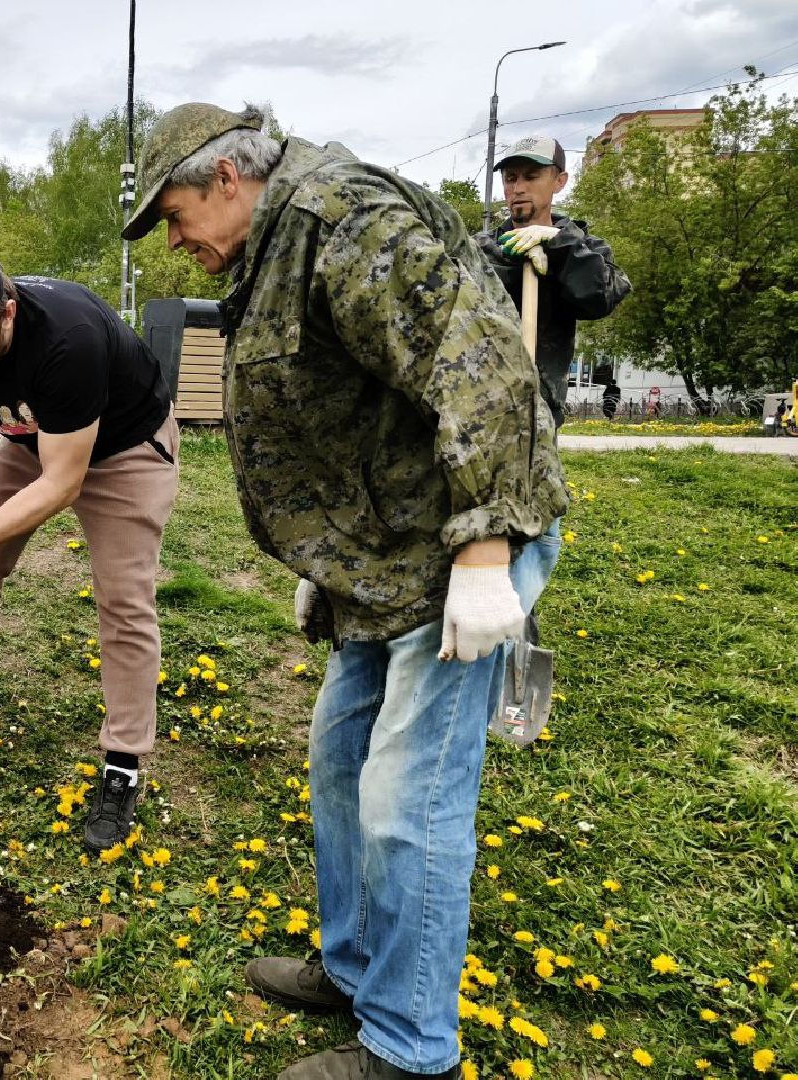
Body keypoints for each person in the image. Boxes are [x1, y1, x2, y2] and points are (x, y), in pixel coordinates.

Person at [122, 103, 568, 1078]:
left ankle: (410, 1054)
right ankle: (357, 969)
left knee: (409, 800)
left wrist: (489, 551)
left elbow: (482, 362)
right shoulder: (276, 247)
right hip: (383, 559)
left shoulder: (345, 223)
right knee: (339, 767)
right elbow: (343, 414)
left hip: (459, 544)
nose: (173, 238)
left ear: (226, 179)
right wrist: (327, 571)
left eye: (173, 212)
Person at [0, 247, 179, 853]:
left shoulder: (67, 338)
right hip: (33, 444)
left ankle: (123, 761)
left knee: (124, 600)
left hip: (125, 446)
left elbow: (63, 481)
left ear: (6, 313)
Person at [477, 136, 630, 645]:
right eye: (510, 177)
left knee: (537, 524)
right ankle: (488, 610)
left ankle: (517, 622)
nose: (517, 187)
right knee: (485, 516)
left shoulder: (582, 249)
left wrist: (557, 247)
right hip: (479, 409)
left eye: (531, 176)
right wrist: (504, 259)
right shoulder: (486, 248)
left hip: (538, 411)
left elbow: (601, 295)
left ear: (559, 181)